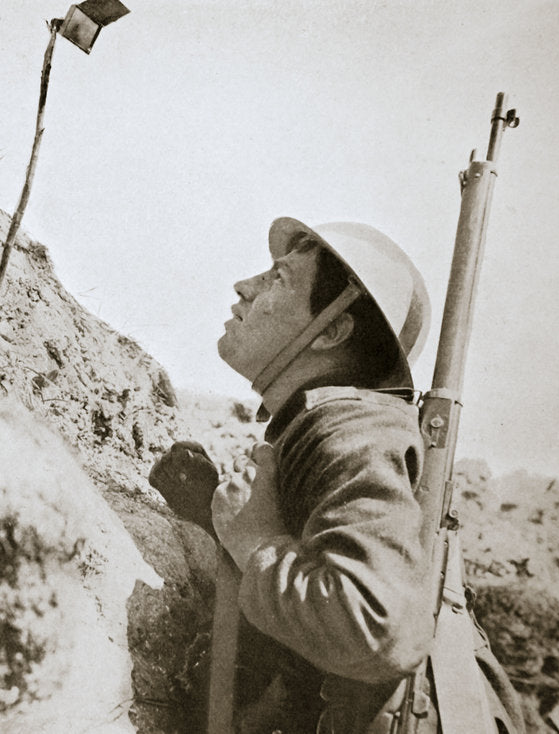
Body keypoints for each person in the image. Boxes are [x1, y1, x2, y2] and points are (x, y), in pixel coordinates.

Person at [149, 217, 523, 733]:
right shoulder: (332, 425)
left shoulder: (348, 427)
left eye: (278, 278)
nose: (245, 287)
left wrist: (254, 539)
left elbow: (376, 626)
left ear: (332, 329)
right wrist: (221, 516)